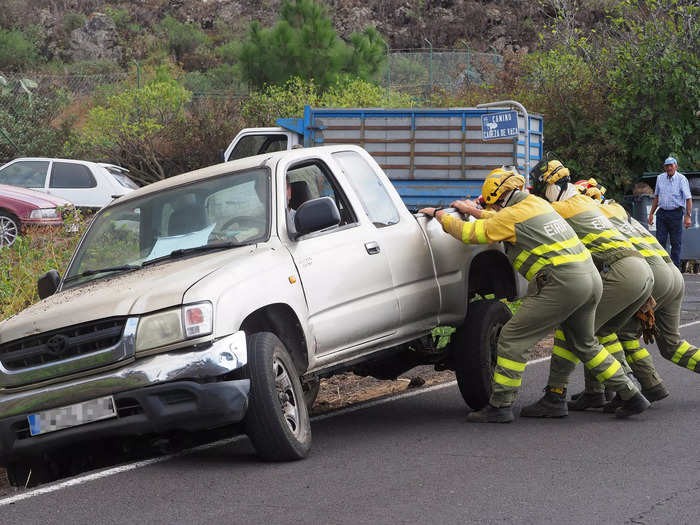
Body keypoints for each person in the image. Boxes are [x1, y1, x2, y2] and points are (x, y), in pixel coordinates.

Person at [418, 168, 647, 423]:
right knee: (586, 342)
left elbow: (471, 234)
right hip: (591, 279)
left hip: (563, 283)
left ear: (498, 196)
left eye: (492, 203)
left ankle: (501, 404)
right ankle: (631, 394)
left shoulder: (511, 216)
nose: (491, 208)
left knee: (512, 337)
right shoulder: (534, 204)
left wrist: (440, 216)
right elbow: (502, 220)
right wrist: (474, 211)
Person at [521, 160, 653, 417]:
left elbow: (530, 218)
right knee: (602, 332)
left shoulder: (562, 207)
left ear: (550, 186)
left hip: (621, 271)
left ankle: (556, 395)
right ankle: (608, 392)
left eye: (540, 188)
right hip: (639, 270)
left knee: (574, 332)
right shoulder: (582, 201)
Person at [566, 179, 670, 410]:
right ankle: (643, 385)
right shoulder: (615, 210)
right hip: (658, 269)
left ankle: (624, 389)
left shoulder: (593, 215)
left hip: (636, 272)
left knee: (592, 328)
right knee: (608, 329)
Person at [648, 156, 692, 268]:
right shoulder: (660, 178)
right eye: (667, 166)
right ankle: (662, 268)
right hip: (662, 213)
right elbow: (656, 197)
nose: (669, 168)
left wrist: (688, 216)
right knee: (660, 242)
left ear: (676, 166)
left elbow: (688, 198)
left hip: (676, 213)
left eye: (671, 165)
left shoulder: (681, 179)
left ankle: (675, 269)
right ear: (664, 167)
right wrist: (651, 214)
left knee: (675, 242)